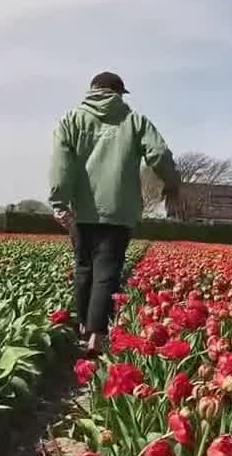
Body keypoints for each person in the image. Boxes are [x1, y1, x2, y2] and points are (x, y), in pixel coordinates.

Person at [49, 71, 180, 355]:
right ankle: (97, 336)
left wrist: (59, 202)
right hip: (119, 210)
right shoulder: (134, 121)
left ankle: (83, 328)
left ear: (93, 90)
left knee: (83, 268)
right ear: (119, 93)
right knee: (107, 271)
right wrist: (171, 185)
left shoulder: (71, 120)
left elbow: (61, 164)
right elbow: (158, 153)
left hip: (82, 209)